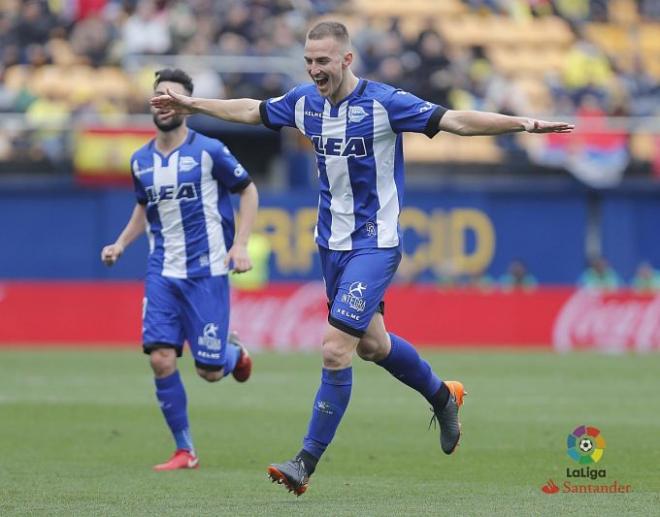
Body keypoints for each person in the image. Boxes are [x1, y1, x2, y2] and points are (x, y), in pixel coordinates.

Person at [151, 21, 573, 495]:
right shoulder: (303, 103)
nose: (314, 70)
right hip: (331, 245)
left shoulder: (384, 103)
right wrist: (191, 104)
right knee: (374, 345)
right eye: (309, 62)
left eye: (323, 62)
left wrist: (523, 123)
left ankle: (304, 462)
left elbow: (454, 120)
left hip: (376, 244)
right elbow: (252, 110)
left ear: (347, 59)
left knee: (335, 349)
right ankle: (442, 395)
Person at [101, 68, 259, 471]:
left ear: (185, 106)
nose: (164, 103)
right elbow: (144, 208)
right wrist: (120, 243)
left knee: (208, 370)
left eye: (172, 97)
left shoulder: (210, 151)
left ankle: (233, 353)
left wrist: (239, 244)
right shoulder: (140, 160)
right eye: (158, 96)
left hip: (207, 272)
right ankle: (185, 450)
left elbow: (248, 190)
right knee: (161, 359)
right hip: (163, 273)